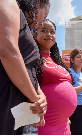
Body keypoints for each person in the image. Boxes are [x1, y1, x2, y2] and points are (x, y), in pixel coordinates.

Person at [0, 0, 49, 134]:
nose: (41, 23)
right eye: (44, 16)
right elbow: (8, 52)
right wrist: (35, 100)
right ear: (38, 3)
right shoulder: (7, 2)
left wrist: (39, 95)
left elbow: (27, 66)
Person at [33, 19, 77, 135]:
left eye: (52, 32)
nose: (49, 34)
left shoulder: (57, 60)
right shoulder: (32, 58)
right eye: (44, 30)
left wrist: (66, 118)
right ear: (35, 35)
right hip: (44, 122)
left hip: (63, 124)